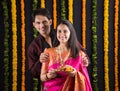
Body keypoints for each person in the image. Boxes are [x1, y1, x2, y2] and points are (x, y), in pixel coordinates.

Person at [40, 20, 92, 91]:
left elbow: (84, 77)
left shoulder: (79, 54)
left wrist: (74, 73)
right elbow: (42, 76)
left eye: (65, 31)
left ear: (71, 33)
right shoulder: (48, 52)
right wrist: (48, 76)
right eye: (59, 31)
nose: (62, 34)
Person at [27, 8, 55, 91]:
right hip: (48, 86)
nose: (42, 25)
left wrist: (85, 59)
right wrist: (40, 61)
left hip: (68, 81)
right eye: (38, 23)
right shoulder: (33, 47)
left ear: (50, 22)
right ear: (34, 25)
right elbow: (33, 73)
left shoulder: (62, 34)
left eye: (44, 22)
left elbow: (79, 50)